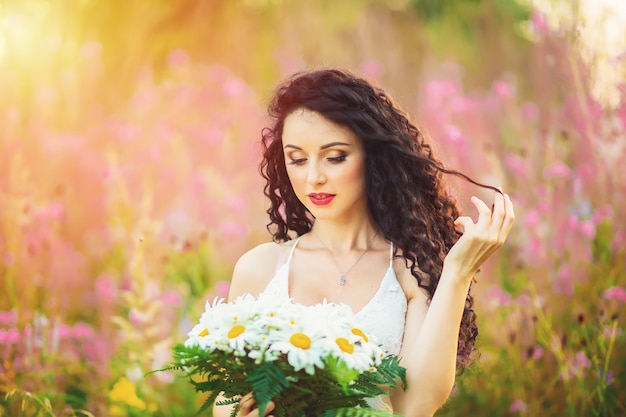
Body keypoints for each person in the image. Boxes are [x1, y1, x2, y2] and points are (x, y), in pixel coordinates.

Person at [217, 68, 515, 417]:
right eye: (297, 159)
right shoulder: (260, 268)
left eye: (335, 157)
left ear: (372, 157)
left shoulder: (408, 270)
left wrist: (458, 272)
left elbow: (415, 406)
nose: (314, 177)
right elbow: (223, 400)